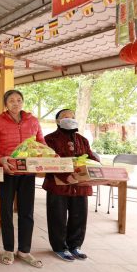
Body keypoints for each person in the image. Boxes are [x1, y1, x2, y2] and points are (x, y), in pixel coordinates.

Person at [0, 89, 45, 268]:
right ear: (5, 104)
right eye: (11, 100)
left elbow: (41, 143)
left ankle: (24, 250)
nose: (15, 103)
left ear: (22, 102)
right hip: (7, 172)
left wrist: (47, 156)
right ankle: (8, 249)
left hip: (28, 173)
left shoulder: (33, 121)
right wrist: (1, 160)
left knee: (27, 212)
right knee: (6, 211)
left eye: (19, 100)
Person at [43, 109, 98, 262]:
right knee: (57, 217)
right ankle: (59, 247)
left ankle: (75, 246)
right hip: (58, 185)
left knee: (79, 216)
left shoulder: (82, 140)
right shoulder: (49, 139)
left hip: (80, 185)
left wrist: (96, 167)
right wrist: (66, 176)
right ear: (57, 121)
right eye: (65, 117)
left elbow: (91, 158)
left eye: (72, 117)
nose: (69, 119)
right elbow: (48, 161)